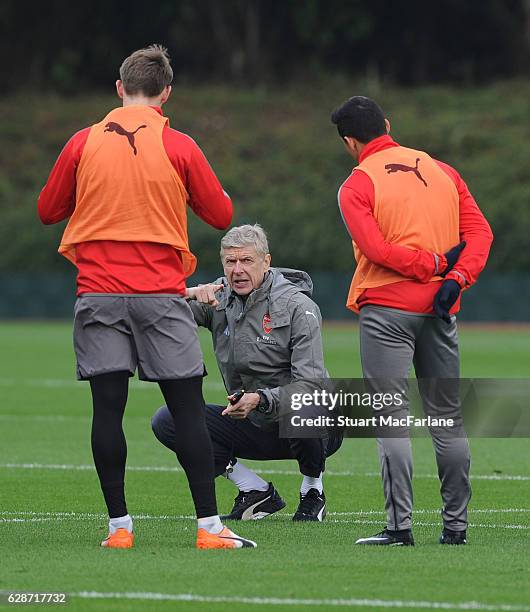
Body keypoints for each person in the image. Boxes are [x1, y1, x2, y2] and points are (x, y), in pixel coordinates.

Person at [38, 44, 256, 550]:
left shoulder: (82, 142)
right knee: (185, 408)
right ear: (166, 94)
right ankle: (209, 528)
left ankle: (119, 530)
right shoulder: (178, 144)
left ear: (119, 89)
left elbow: (48, 210)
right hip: (161, 294)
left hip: (98, 294)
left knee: (106, 411)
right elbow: (222, 217)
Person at [331, 96, 493, 546]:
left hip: (387, 309)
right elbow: (481, 233)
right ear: (387, 124)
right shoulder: (444, 171)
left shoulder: (356, 185)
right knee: (447, 419)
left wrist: (435, 263)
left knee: (390, 418)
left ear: (350, 142)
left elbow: (379, 251)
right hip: (441, 308)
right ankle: (456, 528)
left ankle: (400, 528)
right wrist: (455, 278)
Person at [152, 224, 343, 521]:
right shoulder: (219, 296)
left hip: (311, 425)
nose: (237, 270)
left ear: (265, 262)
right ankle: (254, 490)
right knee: (168, 420)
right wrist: (186, 294)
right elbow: (157, 310)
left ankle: (312, 490)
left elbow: (312, 386)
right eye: (230, 262)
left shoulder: (298, 307)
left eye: (247, 261)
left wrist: (260, 399)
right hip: (254, 421)